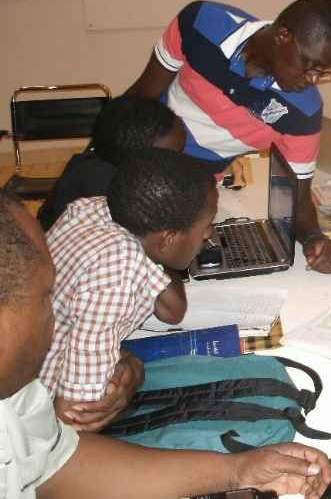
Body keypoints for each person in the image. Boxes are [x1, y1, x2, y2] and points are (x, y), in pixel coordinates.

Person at [0, 188, 331, 499]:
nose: (58, 314)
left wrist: (238, 471)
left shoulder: (15, 398)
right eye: (46, 295)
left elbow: (57, 464)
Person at [126, 0, 331, 273]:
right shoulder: (202, 23)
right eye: (309, 65)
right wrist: (99, 160)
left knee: (170, 271)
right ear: (283, 35)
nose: (313, 81)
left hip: (193, 195)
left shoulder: (302, 111)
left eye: (323, 72)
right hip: (144, 161)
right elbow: (140, 98)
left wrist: (315, 239)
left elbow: (299, 199)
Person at [38, 149, 217, 432]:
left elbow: (172, 311)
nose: (209, 234)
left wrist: (165, 253)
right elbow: (74, 419)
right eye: (206, 226)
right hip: (37, 418)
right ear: (168, 238)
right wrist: (134, 370)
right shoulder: (116, 273)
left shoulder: (95, 209)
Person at [37, 96, 186, 231]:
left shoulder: (95, 163)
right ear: (138, 159)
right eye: (174, 155)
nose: (181, 161)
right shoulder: (109, 200)